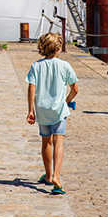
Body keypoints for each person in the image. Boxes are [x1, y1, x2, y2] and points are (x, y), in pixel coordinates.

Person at [26, 32, 78, 194]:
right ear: (57, 48)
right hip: (59, 109)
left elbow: (31, 88)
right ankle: (56, 176)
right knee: (59, 142)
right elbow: (74, 89)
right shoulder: (64, 66)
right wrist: (67, 100)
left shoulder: (36, 66)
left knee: (46, 142)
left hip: (42, 109)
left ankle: (48, 175)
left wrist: (30, 110)